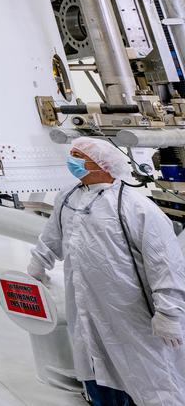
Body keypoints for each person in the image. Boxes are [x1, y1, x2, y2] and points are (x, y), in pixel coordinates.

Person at [28, 137, 185, 406]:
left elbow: (165, 264)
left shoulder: (135, 207)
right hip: (85, 305)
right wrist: (38, 263)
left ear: (101, 164)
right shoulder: (67, 197)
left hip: (129, 311)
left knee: (148, 374)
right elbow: (52, 235)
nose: (72, 161)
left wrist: (169, 313)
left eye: (78, 156)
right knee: (94, 365)